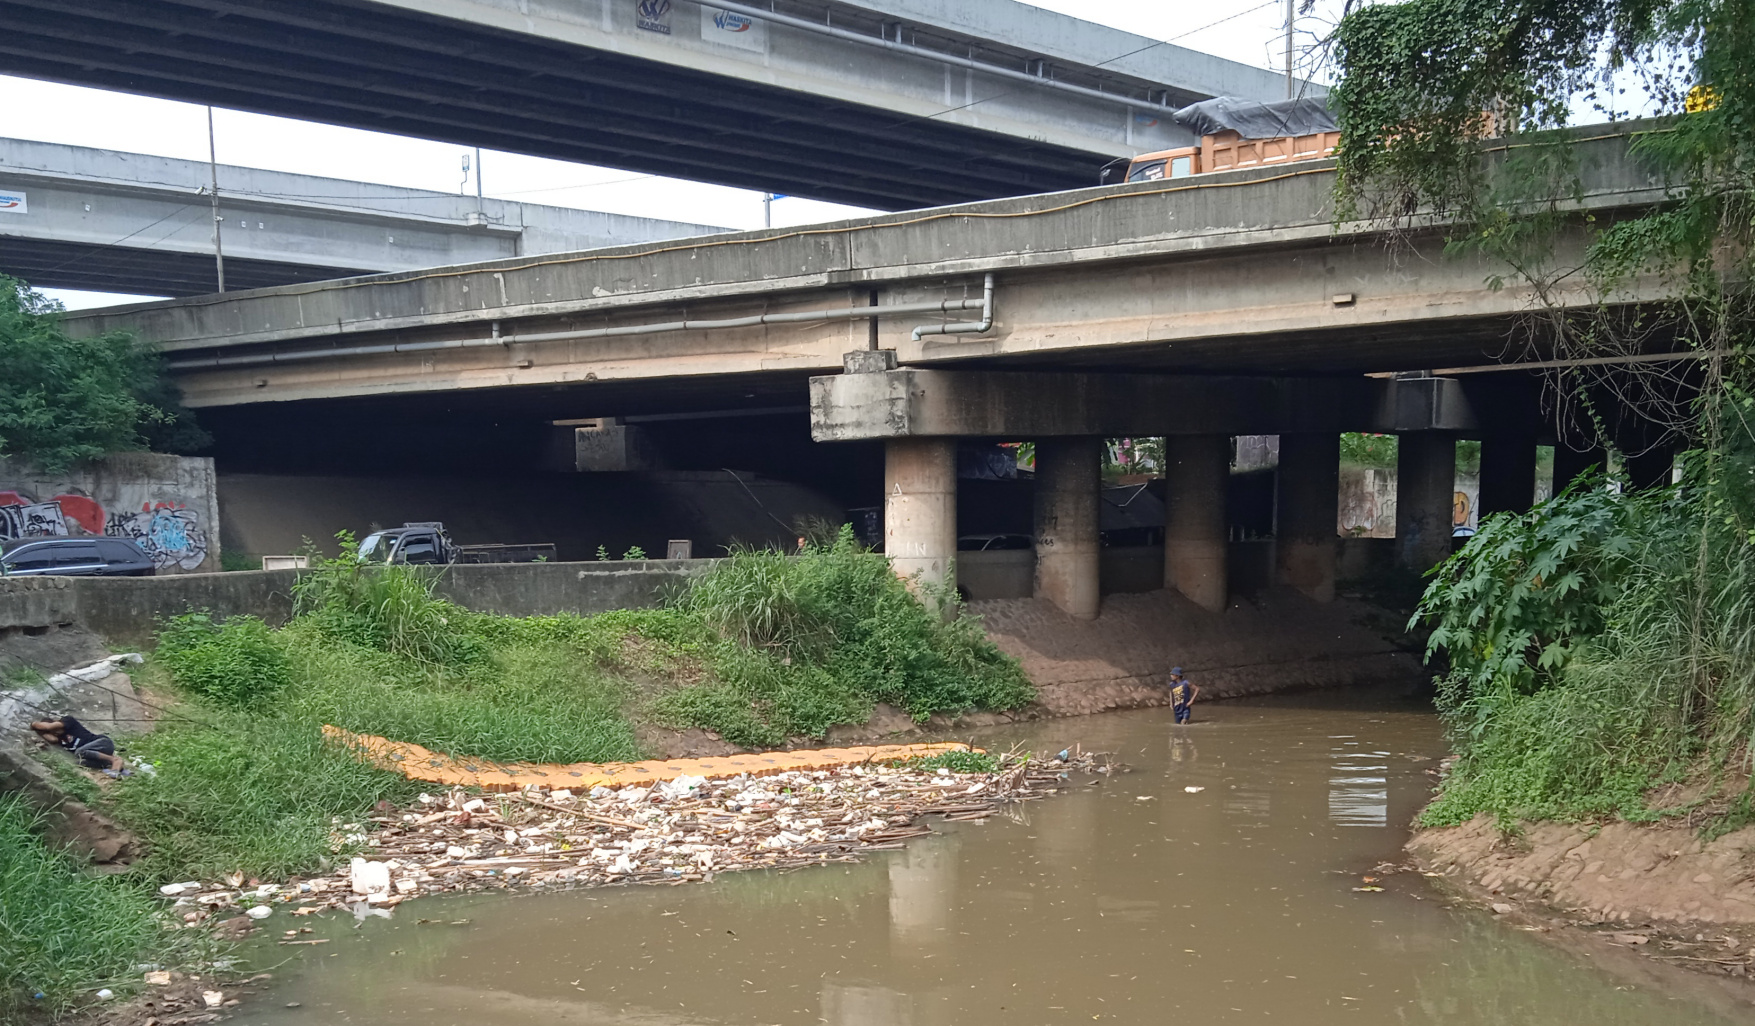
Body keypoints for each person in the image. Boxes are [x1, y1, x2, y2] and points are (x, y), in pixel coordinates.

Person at [30, 715, 128, 774]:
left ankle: (113, 759)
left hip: (103, 743)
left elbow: (49, 726)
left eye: (54, 730)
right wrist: (39, 731)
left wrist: (33, 724)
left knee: (79, 752)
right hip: (94, 754)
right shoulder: (59, 739)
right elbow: (51, 739)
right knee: (77, 763)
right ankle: (114, 767)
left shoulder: (68, 721)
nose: (55, 732)